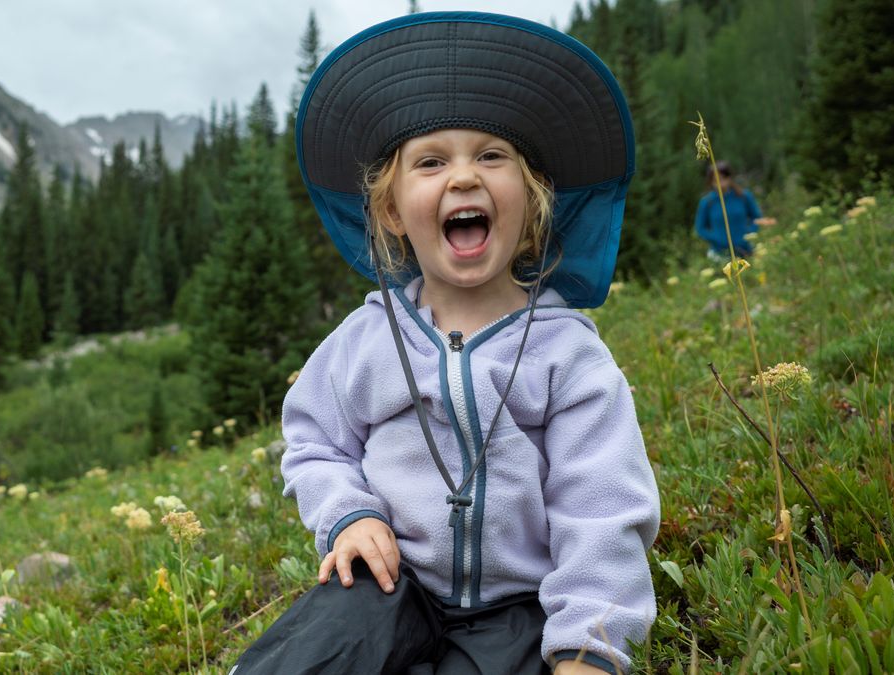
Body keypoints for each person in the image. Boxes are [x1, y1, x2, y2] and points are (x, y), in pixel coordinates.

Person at [233, 12, 659, 675]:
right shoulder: (366, 339)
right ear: (393, 212)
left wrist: (589, 644)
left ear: (533, 202)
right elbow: (316, 440)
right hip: (388, 584)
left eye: (492, 156)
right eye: (431, 161)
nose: (463, 177)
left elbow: (601, 509)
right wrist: (348, 515)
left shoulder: (566, 355)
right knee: (320, 649)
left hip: (518, 606)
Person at [694, 160, 775, 260]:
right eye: (716, 180)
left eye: (723, 178)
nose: (721, 182)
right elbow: (700, 228)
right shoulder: (707, 202)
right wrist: (717, 238)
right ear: (711, 182)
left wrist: (749, 234)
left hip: (745, 250)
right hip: (719, 253)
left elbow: (757, 218)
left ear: (730, 178)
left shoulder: (744, 196)